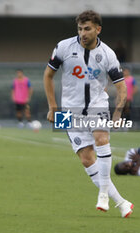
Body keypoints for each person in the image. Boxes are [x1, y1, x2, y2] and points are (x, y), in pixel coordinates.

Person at [43, 10, 133, 218]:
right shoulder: (64, 47)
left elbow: (121, 87)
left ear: (98, 30)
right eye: (80, 29)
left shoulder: (108, 55)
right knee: (86, 159)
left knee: (101, 138)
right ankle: (121, 202)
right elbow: (48, 76)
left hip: (97, 105)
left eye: (87, 29)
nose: (83, 33)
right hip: (68, 111)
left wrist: (118, 113)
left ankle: (103, 193)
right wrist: (52, 107)